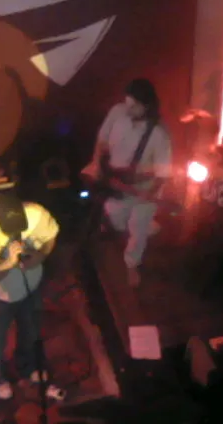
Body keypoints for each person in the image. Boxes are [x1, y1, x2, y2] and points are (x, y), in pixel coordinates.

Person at [0, 192, 62, 400]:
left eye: (20, 227)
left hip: (30, 288)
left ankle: (28, 366)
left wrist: (40, 256)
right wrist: (7, 264)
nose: (17, 234)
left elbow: (50, 236)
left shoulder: (37, 214)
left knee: (30, 332)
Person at [88, 78, 172, 287]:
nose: (128, 109)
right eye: (127, 102)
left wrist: (149, 193)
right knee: (116, 220)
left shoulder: (159, 133)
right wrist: (97, 164)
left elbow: (163, 173)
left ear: (146, 105)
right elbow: (102, 140)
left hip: (145, 188)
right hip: (116, 183)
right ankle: (149, 226)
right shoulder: (118, 112)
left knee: (137, 224)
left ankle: (132, 264)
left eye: (134, 106)